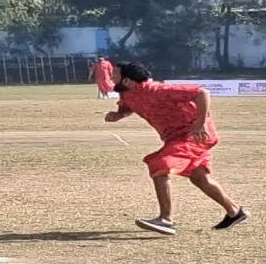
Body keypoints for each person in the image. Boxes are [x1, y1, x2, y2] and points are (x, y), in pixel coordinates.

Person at [105, 61, 249, 235]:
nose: (111, 77)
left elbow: (202, 93)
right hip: (174, 139)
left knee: (159, 164)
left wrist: (200, 123)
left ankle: (166, 219)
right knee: (199, 178)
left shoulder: (159, 90)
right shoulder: (127, 94)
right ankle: (234, 211)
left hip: (194, 135)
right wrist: (118, 115)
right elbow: (127, 107)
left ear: (127, 80)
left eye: (114, 74)